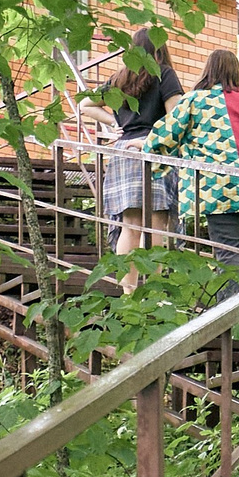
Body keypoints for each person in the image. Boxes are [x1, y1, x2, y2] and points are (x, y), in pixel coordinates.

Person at [145, 49, 239, 294]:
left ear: (208, 70)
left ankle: (228, 320)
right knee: (234, 250)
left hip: (217, 190)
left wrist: (146, 151)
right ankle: (228, 310)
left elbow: (164, 136)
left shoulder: (194, 100)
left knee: (228, 255)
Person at [96, 26, 181, 290]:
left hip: (123, 152)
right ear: (159, 47)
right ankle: (154, 293)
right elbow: (175, 119)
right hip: (152, 150)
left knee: (130, 225)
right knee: (156, 226)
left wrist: (114, 123)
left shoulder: (119, 78)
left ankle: (128, 292)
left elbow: (84, 105)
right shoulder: (164, 74)